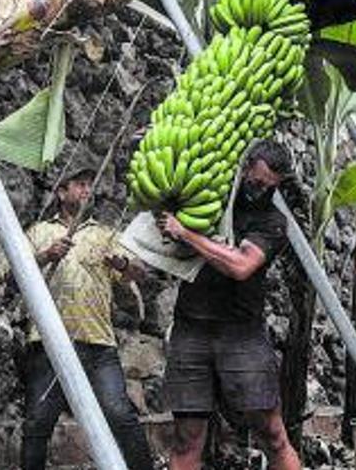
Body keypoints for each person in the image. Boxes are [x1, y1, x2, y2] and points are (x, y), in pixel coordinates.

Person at [155, 140, 302, 470]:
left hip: (242, 334)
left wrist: (187, 234)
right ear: (246, 167)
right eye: (255, 181)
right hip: (191, 328)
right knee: (186, 437)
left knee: (273, 434)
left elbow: (240, 266)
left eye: (268, 187)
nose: (259, 190)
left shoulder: (273, 222)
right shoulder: (210, 197)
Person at [21, 166, 155, 470]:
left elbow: (140, 273)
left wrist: (121, 263)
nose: (86, 191)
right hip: (48, 343)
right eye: (79, 184)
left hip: (97, 342)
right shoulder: (40, 232)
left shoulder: (104, 235)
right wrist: (46, 255)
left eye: (89, 186)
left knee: (120, 415)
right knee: (37, 422)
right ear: (61, 192)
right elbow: (12, 277)